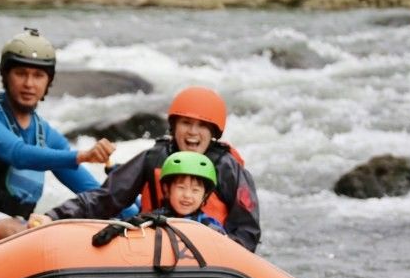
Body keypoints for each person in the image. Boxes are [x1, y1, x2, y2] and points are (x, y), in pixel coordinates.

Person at [0, 27, 115, 243]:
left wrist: (136, 207)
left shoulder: (45, 134)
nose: (29, 83)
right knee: (23, 234)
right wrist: (80, 156)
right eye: (20, 73)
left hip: (8, 226)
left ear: (48, 82)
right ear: (5, 76)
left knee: (46, 232)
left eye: (38, 76)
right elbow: (17, 154)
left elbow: (94, 191)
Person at [32, 86, 261, 251]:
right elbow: (105, 198)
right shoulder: (153, 159)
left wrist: (227, 258)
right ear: (173, 126)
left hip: (212, 255)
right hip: (151, 249)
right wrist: (53, 216)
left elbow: (247, 230)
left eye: (202, 126)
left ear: (213, 133)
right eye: (186, 123)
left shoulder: (228, 168)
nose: (193, 132)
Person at [153, 151, 225, 234]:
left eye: (195, 190)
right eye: (181, 187)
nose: (187, 195)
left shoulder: (212, 228)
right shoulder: (152, 221)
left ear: (205, 195)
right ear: (167, 189)